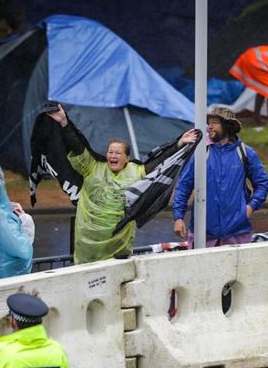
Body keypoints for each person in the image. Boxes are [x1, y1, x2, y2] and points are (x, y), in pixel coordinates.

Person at [48, 105, 200, 263]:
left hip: (117, 247)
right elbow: (77, 146)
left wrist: (179, 143)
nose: (113, 155)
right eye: (110, 152)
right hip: (87, 244)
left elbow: (160, 163)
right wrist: (64, 122)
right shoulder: (92, 167)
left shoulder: (137, 171)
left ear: (127, 158)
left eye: (118, 153)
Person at [172, 105, 268, 247]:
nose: (209, 127)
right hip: (203, 233)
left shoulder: (245, 153)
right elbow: (183, 187)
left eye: (214, 123)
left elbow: (263, 184)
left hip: (238, 233)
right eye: (208, 123)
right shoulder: (201, 152)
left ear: (227, 125)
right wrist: (178, 218)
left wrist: (248, 209)